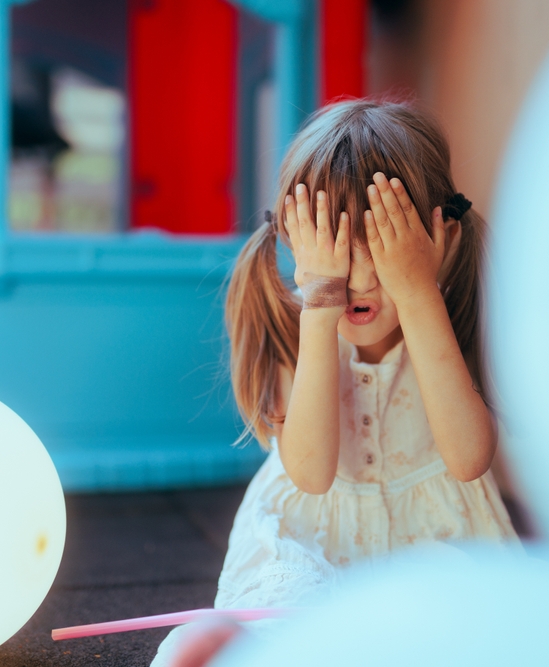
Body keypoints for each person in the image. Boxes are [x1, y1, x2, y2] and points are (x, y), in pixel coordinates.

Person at [151, 99, 519, 667]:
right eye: (333, 246)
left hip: (434, 538)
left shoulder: (450, 310)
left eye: (382, 244)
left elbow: (469, 458)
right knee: (291, 605)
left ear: (435, 241)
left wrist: (419, 291)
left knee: (455, 624)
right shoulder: (296, 318)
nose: (358, 277)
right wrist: (318, 307)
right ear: (298, 243)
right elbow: (310, 473)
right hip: (316, 533)